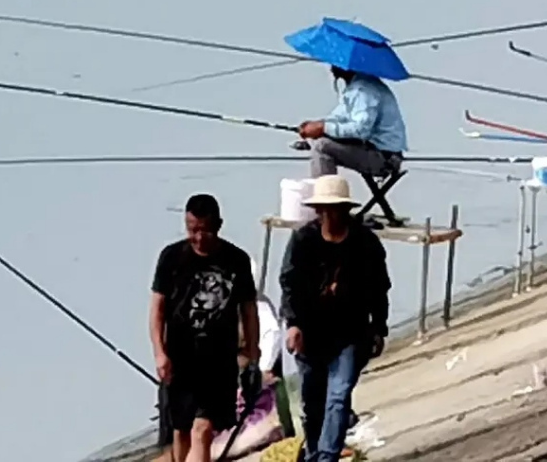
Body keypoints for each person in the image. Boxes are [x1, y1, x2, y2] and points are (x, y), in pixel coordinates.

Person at [281, 175, 391, 462]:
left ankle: (327, 457)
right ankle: (315, 451)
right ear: (318, 211)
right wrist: (293, 324)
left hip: (351, 334)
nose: (331, 215)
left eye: (337, 209)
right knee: (313, 403)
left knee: (338, 397)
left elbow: (380, 287)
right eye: (326, 210)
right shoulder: (303, 241)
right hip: (310, 333)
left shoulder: (365, 243)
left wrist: (379, 328)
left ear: (345, 210)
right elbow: (289, 284)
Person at [150, 193, 260, 462]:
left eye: (206, 231)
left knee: (203, 429)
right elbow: (157, 310)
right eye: (192, 230)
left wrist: (252, 354)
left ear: (218, 225)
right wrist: (160, 353)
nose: (199, 237)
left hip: (219, 361)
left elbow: (248, 310)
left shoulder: (237, 260)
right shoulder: (171, 257)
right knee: (181, 431)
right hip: (180, 359)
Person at [297, 67, 407, 187]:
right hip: (374, 151)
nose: (331, 68)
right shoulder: (355, 87)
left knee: (322, 147)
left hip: (384, 158)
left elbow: (360, 130)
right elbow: (338, 118)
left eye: (335, 63)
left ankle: (325, 200)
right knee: (319, 142)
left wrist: (322, 128)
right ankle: (325, 198)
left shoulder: (364, 89)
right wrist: (315, 128)